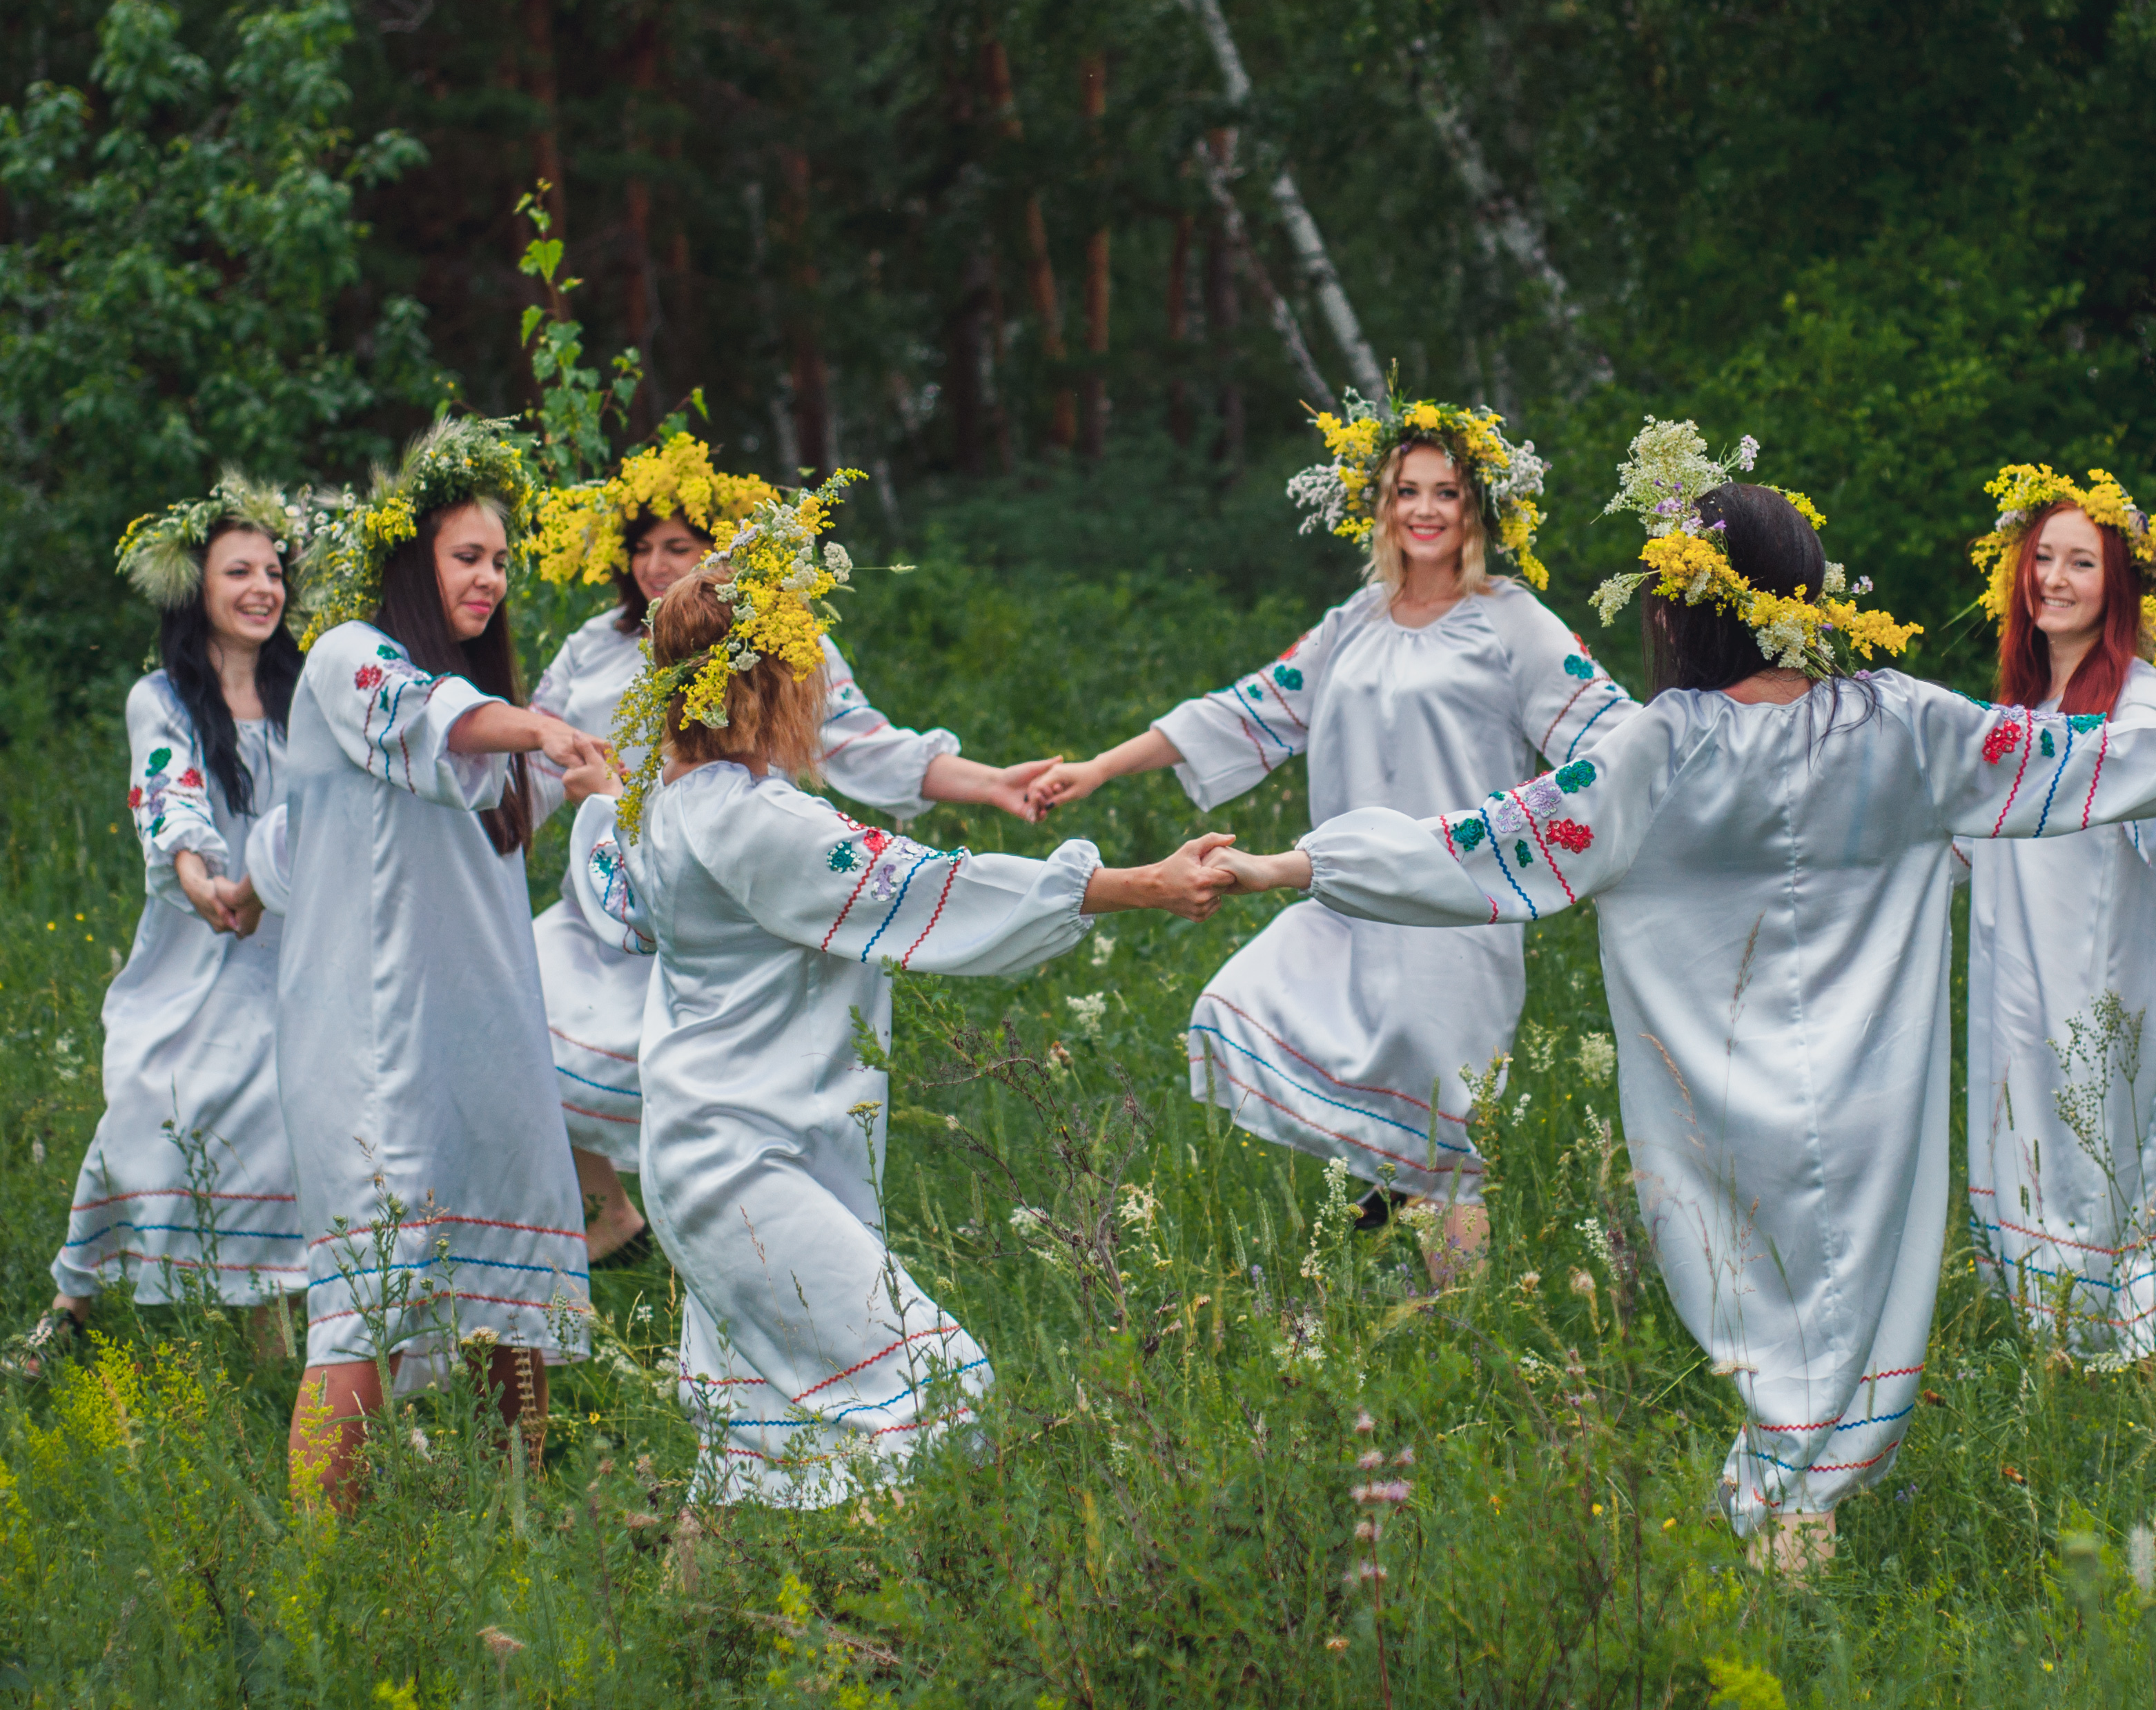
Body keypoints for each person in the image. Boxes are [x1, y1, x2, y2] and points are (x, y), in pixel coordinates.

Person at [1216, 422, 2156, 1570]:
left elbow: (1479, 845)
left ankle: (1785, 1505)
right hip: (1869, 1092)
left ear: (1685, 612)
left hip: (1707, 1105)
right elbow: (2096, 761)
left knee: (1759, 1314)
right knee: (1849, 1305)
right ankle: (1800, 1503)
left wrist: (1293, 864)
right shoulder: (1897, 720)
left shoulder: (1659, 749)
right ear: (1800, 593)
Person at [569, 478, 1235, 1506]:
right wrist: (1145, 884)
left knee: (756, 1436)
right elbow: (934, 891)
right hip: (744, 1165)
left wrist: (602, 805)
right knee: (933, 1385)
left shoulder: (676, 804)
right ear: (767, 686)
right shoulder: (762, 824)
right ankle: (907, 1618)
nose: (821, 690)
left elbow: (625, 900)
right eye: (806, 672)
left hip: (728, 1148)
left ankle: (718, 1626)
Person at [1030, 382, 1625, 1281]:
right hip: (1340, 896)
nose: (1424, 509)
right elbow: (1249, 710)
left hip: (1452, 911)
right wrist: (1102, 767)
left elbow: (1615, 740)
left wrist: (1539, 835)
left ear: (1479, 509)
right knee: (1235, 1008)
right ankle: (1384, 1250)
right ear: (1381, 508)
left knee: (1441, 1139)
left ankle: (1456, 1336)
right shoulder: (1356, 621)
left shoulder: (1513, 621)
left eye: (1446, 491)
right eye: (1406, 491)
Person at [525, 433, 1057, 1264]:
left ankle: (749, 1229)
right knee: (521, 1017)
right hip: (617, 886)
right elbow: (535, 752)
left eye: (681, 548)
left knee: (724, 1083)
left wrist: (989, 783)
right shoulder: (591, 647)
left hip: (732, 889)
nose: (658, 566)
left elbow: (859, 739)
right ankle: (619, 1212)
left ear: (718, 550)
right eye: (644, 549)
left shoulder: (766, 632)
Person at [269, 418, 612, 1506]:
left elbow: (531, 770)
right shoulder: (351, 657)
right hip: (374, 1043)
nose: (492, 577)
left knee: (514, 1293)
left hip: (489, 1040)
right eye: (469, 555)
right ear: (413, 558)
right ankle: (319, 1589)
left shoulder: (491, 713)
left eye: (503, 561)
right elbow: (435, 715)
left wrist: (597, 749)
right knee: (368, 1304)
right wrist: (541, 731)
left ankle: (521, 1530)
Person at [19, 482, 311, 1373]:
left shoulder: (309, 695)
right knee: (149, 1106)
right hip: (198, 938)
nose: (263, 587)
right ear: (198, 587)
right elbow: (166, 789)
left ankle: (275, 1341)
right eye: (239, 571)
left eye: (273, 570)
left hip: (293, 942)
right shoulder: (163, 697)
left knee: (273, 1111)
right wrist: (201, 879)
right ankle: (75, 1298)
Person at [1959, 466, 2156, 1369]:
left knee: (2097, 1170)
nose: (2053, 578)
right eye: (2042, 557)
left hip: (2095, 980)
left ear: (2117, 585)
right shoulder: (2026, 706)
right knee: (2026, 1157)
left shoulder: (2138, 700)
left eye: (2080, 562)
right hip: (2015, 982)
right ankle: (2064, 1366)